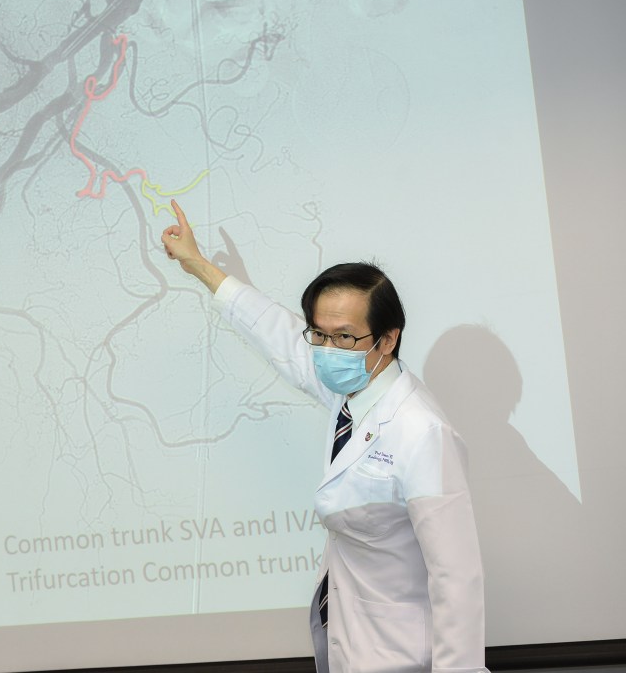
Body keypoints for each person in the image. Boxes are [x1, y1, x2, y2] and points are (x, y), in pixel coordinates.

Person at [160, 200, 488, 673]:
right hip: (353, 646)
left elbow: (456, 576)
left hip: (404, 658)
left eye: (344, 336)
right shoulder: (351, 386)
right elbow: (273, 330)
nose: (328, 349)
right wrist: (197, 265)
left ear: (388, 338)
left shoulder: (422, 431)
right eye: (319, 333)